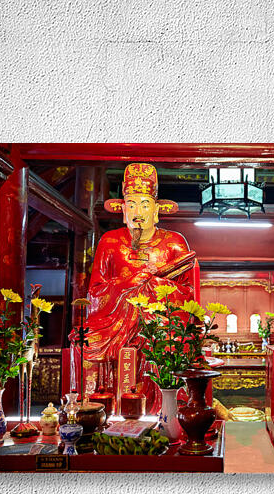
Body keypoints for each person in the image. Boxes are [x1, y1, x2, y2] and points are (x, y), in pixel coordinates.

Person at [72, 163, 197, 398]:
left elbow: (188, 294)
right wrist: (129, 283)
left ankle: (166, 407)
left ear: (156, 210)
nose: (138, 211)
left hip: (159, 318)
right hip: (115, 320)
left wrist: (156, 285)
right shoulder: (109, 242)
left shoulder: (174, 243)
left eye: (144, 204)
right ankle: (98, 404)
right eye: (131, 204)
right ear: (123, 211)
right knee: (85, 342)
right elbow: (95, 292)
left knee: (169, 341)